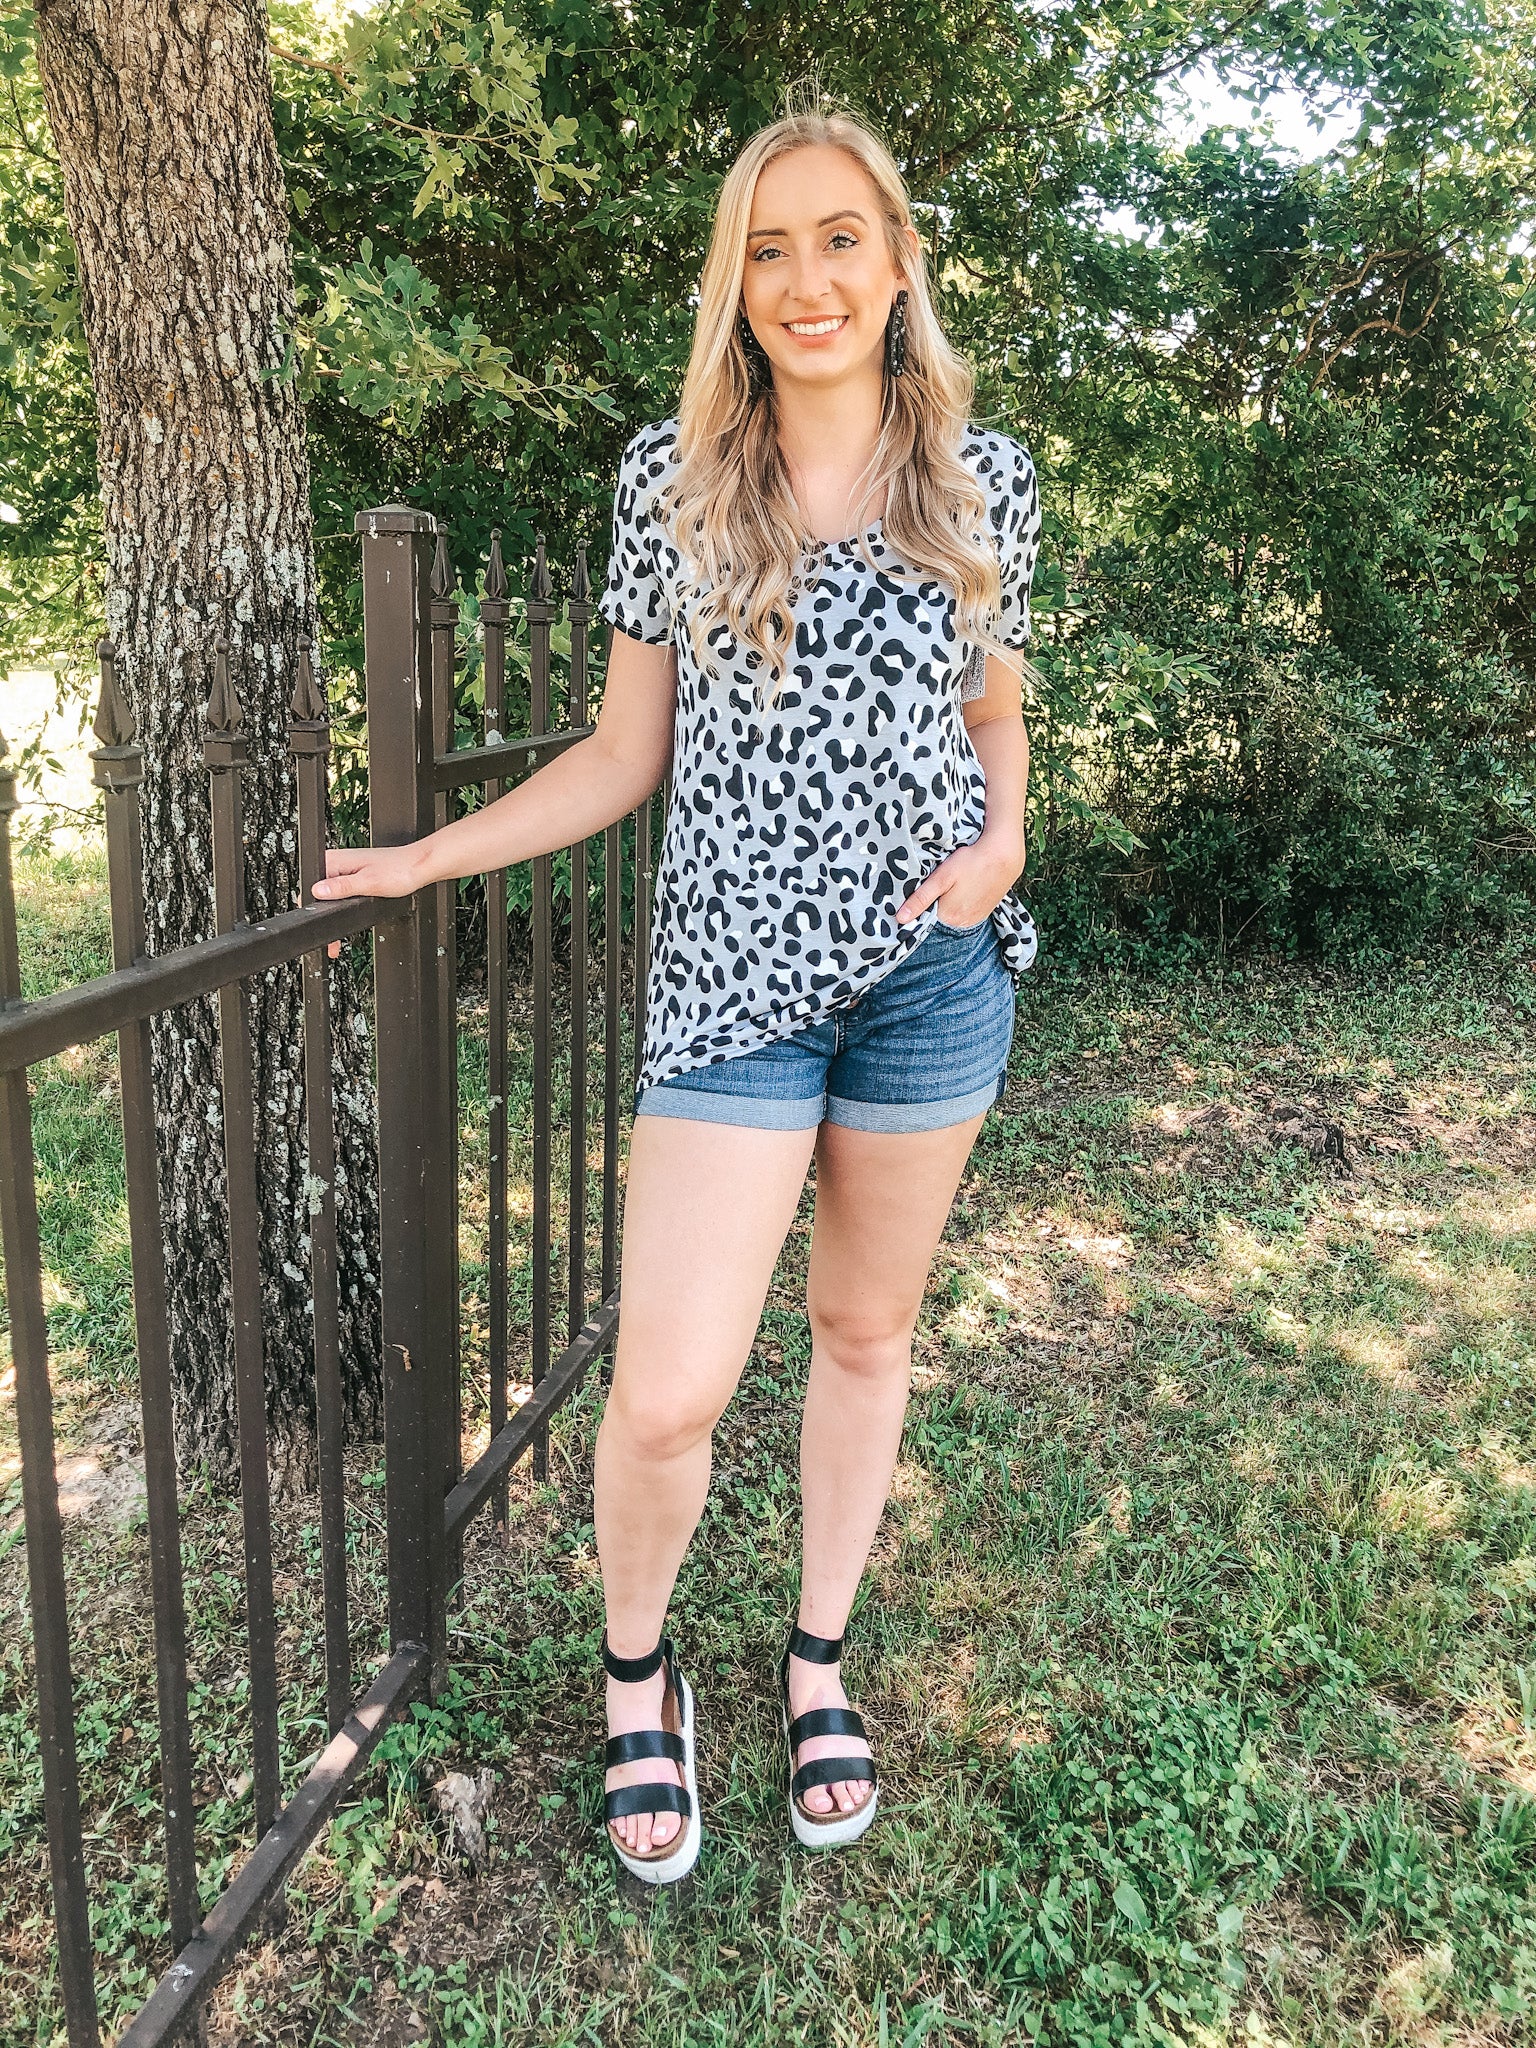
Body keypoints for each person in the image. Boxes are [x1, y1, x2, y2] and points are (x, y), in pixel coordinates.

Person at [313, 95, 1042, 1886]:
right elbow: (621, 753)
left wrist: (1006, 841)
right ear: (737, 284)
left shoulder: (986, 479)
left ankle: (816, 1660)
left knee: (863, 1336)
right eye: (768, 250)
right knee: (665, 1393)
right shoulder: (675, 479)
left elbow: (995, 707)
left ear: (899, 262)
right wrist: (427, 857)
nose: (808, 280)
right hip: (732, 992)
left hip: (932, 984)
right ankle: (640, 1678)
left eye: (841, 239)